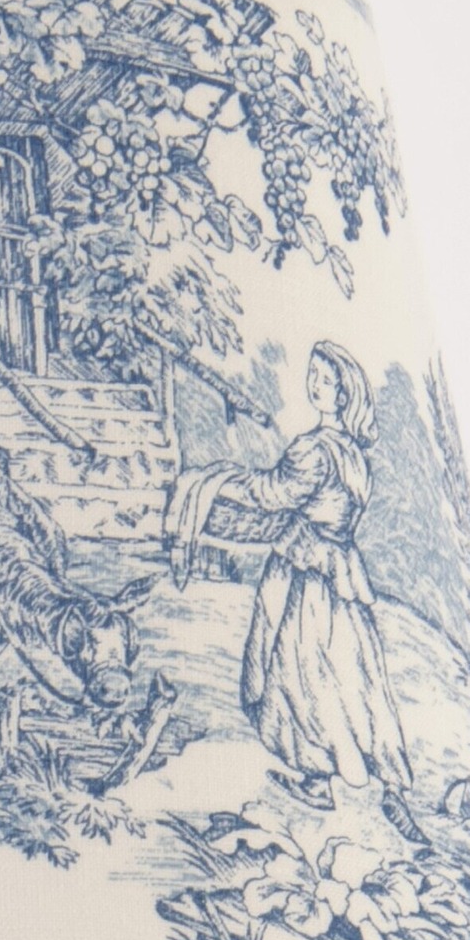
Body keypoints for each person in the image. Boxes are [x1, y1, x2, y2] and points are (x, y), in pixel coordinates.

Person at [171, 342, 421, 840]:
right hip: (339, 574)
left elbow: (272, 494)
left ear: (345, 393)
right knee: (350, 676)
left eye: (326, 380)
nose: (315, 386)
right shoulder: (354, 456)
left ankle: (342, 780)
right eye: (313, 376)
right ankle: (344, 777)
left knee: (297, 671)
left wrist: (215, 481)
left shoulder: (315, 450)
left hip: (304, 574)